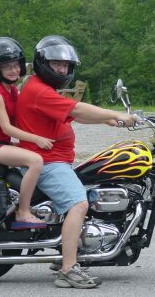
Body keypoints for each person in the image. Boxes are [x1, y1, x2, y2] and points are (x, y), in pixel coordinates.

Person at [16, 35, 136, 289]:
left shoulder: (43, 89)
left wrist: (106, 120)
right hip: (48, 163)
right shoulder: (38, 90)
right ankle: (68, 269)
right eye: (57, 64)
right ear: (42, 63)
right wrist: (117, 114)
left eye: (66, 65)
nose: (62, 69)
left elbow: (71, 115)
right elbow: (77, 109)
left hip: (52, 160)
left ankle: (69, 251)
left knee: (86, 192)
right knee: (79, 204)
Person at [0, 37, 55, 230]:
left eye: (15, 65)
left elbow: (24, 115)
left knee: (39, 153)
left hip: (1, 144)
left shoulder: (12, 89)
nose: (14, 70)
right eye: (7, 67)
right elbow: (7, 128)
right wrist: (37, 139)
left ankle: (39, 203)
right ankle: (23, 212)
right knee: (35, 161)